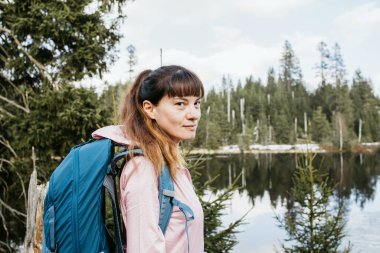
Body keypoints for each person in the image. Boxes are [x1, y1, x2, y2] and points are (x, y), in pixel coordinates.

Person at [92, 65, 204, 253]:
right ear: (150, 109)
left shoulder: (168, 164)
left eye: (196, 103)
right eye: (180, 104)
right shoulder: (144, 169)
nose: (194, 114)